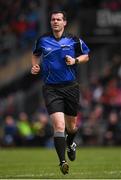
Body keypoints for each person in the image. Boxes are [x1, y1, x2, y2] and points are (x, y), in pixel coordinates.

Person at [31, 10, 90, 175]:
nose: (55, 22)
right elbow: (35, 55)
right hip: (51, 88)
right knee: (59, 125)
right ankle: (62, 162)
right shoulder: (42, 40)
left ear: (64, 22)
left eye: (58, 19)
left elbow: (86, 55)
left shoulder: (73, 40)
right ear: (50, 22)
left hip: (71, 87)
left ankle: (71, 143)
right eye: (52, 19)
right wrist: (35, 66)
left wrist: (75, 60)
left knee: (71, 127)